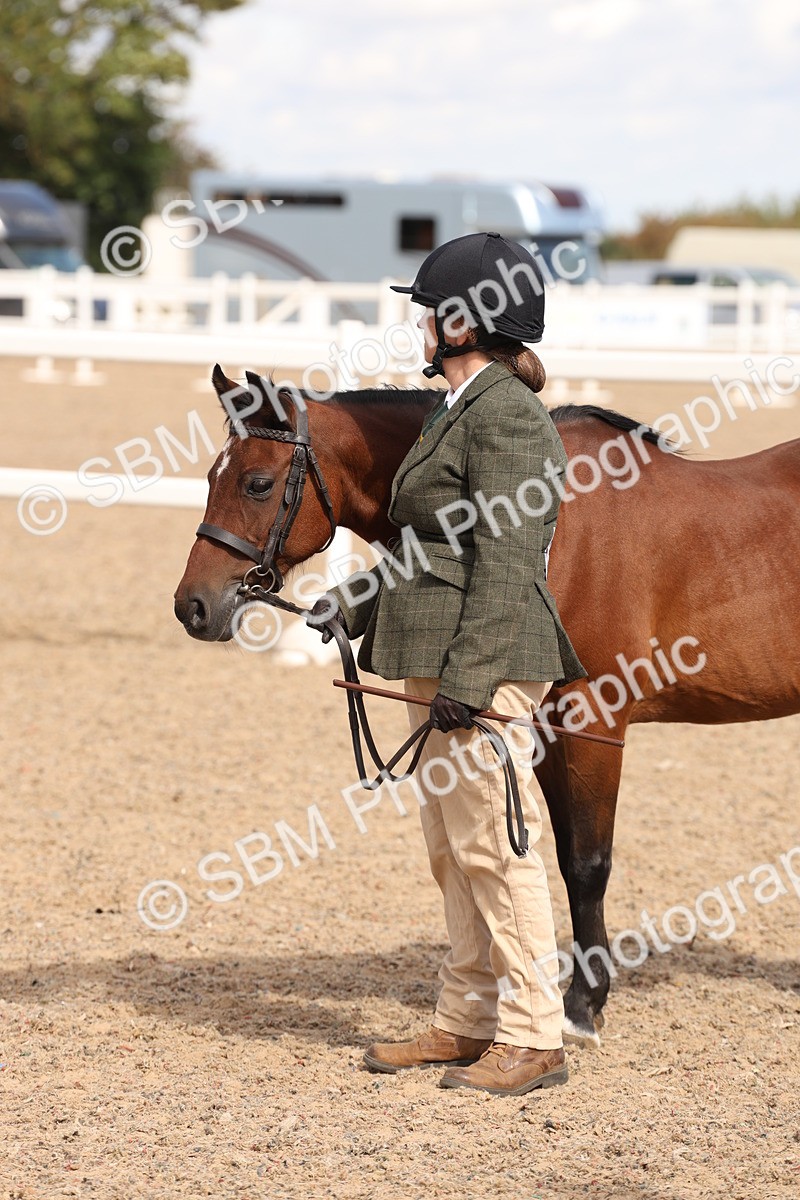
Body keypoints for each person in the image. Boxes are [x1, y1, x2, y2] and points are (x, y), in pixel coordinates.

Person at [315, 232, 587, 1096]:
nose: (419, 326)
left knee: (499, 847)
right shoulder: (454, 408)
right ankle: (466, 1019)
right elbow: (432, 547)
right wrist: (353, 604)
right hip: (434, 651)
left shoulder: (508, 417)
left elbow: (508, 561)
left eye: (429, 312)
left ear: (467, 321)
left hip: (486, 661)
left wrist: (470, 684)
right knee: (453, 848)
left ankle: (536, 1034)